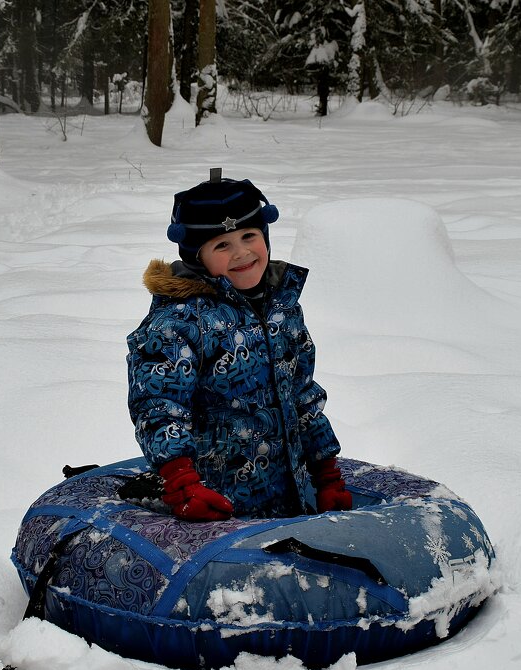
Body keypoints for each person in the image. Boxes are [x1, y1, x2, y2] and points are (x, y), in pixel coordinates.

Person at [126, 169, 353, 521]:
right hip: (215, 505)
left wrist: (326, 473)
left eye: (249, 235)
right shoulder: (180, 323)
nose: (241, 252)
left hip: (287, 496)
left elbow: (302, 394)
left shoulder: (282, 308)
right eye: (222, 245)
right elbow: (159, 406)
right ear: (196, 256)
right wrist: (182, 483)